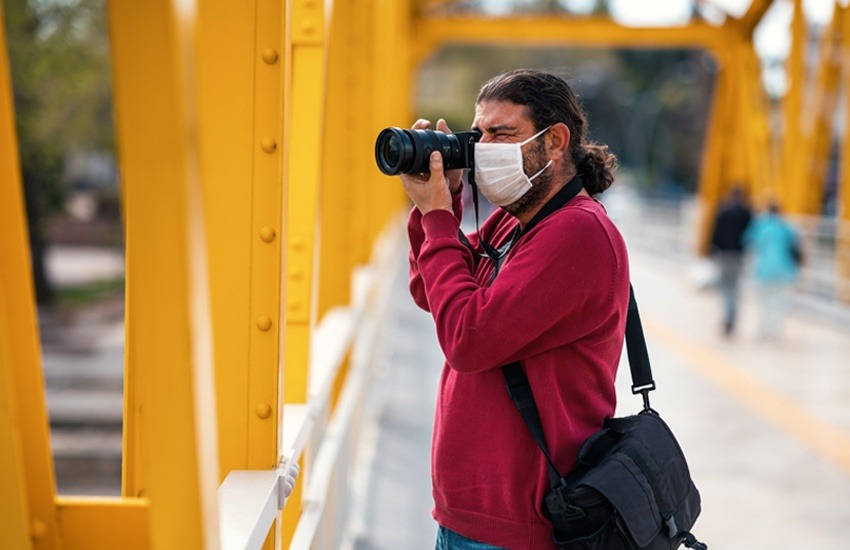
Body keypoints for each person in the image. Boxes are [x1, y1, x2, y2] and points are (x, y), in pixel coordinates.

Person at [399, 68, 630, 549]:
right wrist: (437, 207)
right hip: (469, 518)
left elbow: (468, 339)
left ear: (555, 142)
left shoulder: (578, 234)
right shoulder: (514, 222)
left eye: (503, 133)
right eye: (478, 134)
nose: (485, 147)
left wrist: (441, 216)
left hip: (520, 529)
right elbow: (433, 292)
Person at [743, 199, 801, 341]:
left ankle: (764, 331)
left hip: (764, 270)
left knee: (764, 303)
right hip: (785, 271)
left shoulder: (760, 227)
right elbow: (796, 248)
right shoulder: (787, 228)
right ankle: (776, 332)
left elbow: (747, 241)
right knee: (780, 304)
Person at [709, 185, 752, 336]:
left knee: (724, 287)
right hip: (738, 255)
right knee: (735, 287)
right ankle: (733, 315)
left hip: (724, 254)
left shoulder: (723, 211)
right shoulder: (747, 213)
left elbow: (715, 232)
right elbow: (751, 234)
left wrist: (712, 250)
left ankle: (727, 315)